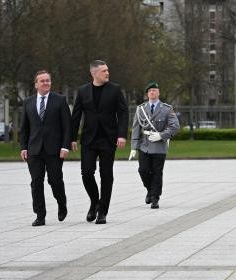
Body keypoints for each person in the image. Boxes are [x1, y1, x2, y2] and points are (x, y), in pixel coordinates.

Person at [71, 60, 129, 224]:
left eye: (107, 70)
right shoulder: (83, 91)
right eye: (104, 71)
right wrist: (72, 137)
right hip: (89, 139)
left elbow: (123, 113)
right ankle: (95, 202)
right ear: (94, 73)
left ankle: (102, 211)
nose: (107, 73)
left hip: (108, 139)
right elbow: (76, 115)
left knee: (106, 175)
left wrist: (122, 135)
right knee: (87, 172)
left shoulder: (115, 90)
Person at [19, 70, 72, 227]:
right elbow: (24, 128)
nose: (45, 83)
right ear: (36, 84)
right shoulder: (28, 102)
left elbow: (67, 126)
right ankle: (40, 215)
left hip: (54, 149)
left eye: (48, 80)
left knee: (54, 180)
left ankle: (62, 204)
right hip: (34, 150)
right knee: (36, 182)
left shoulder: (60, 100)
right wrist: (23, 147)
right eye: (42, 81)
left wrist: (65, 146)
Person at [129, 82, 180, 209]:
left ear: (158, 93)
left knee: (157, 172)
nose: (152, 92)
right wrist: (133, 147)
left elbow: (175, 127)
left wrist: (162, 136)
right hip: (145, 145)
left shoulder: (167, 109)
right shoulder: (141, 109)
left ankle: (155, 198)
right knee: (143, 170)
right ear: (147, 94)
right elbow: (136, 129)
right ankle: (150, 190)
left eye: (154, 90)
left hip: (159, 145)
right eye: (150, 90)